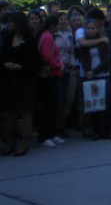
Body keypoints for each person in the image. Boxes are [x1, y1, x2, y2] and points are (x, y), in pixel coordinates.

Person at [0, 12, 40, 155]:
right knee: (8, 113)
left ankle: (24, 142)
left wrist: (20, 66)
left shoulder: (29, 40)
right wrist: (6, 64)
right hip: (8, 80)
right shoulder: (7, 37)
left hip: (25, 81)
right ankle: (9, 141)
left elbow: (35, 63)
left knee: (24, 112)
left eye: (12, 22)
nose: (10, 25)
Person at [76, 17, 111, 140]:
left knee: (106, 104)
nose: (91, 30)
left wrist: (95, 71)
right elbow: (83, 58)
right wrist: (88, 71)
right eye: (88, 28)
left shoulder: (104, 42)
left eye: (93, 28)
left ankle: (107, 131)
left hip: (102, 74)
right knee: (92, 105)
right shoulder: (84, 43)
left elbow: (106, 59)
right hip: (89, 76)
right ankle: (93, 130)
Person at [36, 14, 64, 147]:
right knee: (48, 106)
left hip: (53, 73)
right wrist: (58, 65)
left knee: (53, 106)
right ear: (53, 25)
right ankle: (45, 135)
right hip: (50, 75)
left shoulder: (48, 36)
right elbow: (47, 57)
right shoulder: (47, 37)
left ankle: (52, 133)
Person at [54, 11, 79, 138]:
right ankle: (57, 127)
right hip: (58, 70)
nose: (63, 21)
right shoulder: (53, 35)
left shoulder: (70, 34)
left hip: (70, 69)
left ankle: (63, 125)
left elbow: (73, 52)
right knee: (59, 100)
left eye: (65, 19)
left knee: (69, 99)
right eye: (61, 19)